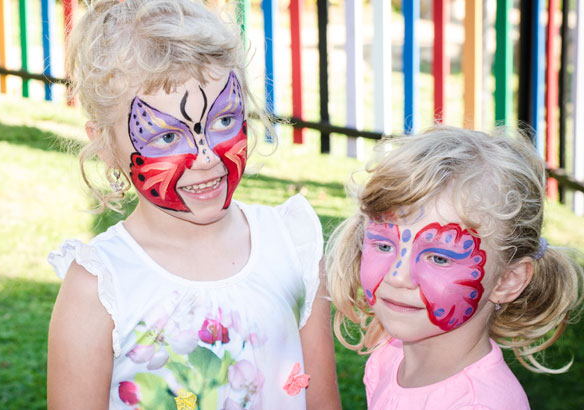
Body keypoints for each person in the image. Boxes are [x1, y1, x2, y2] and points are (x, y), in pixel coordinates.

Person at [46, 0, 341, 408]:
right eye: (166, 136)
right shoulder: (99, 285)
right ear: (108, 146)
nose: (206, 157)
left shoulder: (292, 246)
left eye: (224, 120)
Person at [325, 126, 584, 409]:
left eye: (439, 257)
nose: (397, 277)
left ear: (507, 280)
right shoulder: (389, 356)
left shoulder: (479, 405)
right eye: (385, 245)